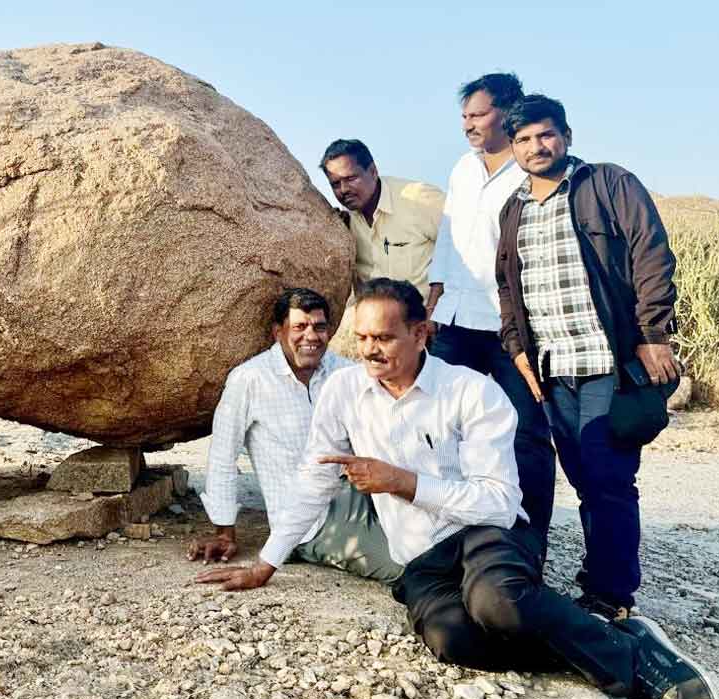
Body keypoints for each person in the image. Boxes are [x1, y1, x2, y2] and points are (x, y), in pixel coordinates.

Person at [196, 278, 719, 699]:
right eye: (360, 339)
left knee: (500, 604)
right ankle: (606, 636)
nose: (369, 352)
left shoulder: (472, 392)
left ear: (421, 334)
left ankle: (633, 661)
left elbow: (498, 499)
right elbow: (313, 479)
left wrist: (404, 483)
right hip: (421, 555)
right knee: (454, 639)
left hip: (485, 532)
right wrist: (267, 562)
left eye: (383, 338)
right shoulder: (343, 391)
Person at [496, 95, 680, 621]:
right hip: (553, 368)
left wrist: (652, 333)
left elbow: (652, 251)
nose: (537, 146)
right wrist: (519, 351)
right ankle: (594, 579)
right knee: (581, 478)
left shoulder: (607, 184)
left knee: (608, 478)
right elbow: (508, 287)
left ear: (567, 136)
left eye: (546, 134)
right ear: (513, 148)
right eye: (525, 139)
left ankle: (611, 595)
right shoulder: (514, 210)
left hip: (609, 361)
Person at [187, 287, 403, 585]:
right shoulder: (250, 379)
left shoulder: (346, 372)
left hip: (367, 494)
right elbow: (223, 455)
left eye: (320, 327)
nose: (311, 336)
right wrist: (225, 531)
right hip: (312, 521)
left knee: (438, 535)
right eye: (300, 327)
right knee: (403, 564)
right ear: (279, 331)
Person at [425, 73, 558, 546]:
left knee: (525, 434)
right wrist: (435, 292)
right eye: (464, 116)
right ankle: (447, 535)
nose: (468, 124)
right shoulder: (463, 168)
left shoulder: (531, 171)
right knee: (439, 426)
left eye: (478, 114)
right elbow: (449, 233)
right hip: (458, 320)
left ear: (508, 112)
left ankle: (528, 542)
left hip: (511, 327)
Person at [320, 139, 444, 302]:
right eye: (335, 184)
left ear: (373, 171)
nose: (343, 190)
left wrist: (432, 312)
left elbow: (460, 253)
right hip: (374, 322)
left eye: (351, 179)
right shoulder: (344, 221)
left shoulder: (419, 198)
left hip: (427, 321)